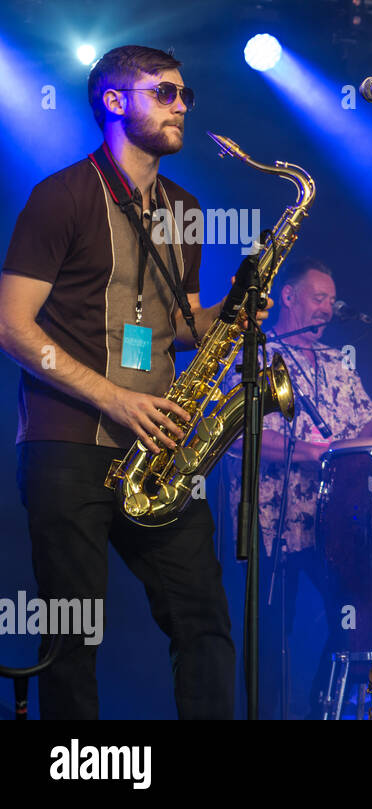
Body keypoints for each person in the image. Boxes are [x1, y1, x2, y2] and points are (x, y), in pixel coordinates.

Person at [0, 45, 247, 718]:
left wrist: (237, 305)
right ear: (115, 102)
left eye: (185, 95)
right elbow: (12, 326)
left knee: (204, 619)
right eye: (165, 92)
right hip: (68, 445)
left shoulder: (185, 206)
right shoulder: (61, 196)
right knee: (73, 637)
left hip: (160, 452)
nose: (181, 106)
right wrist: (114, 397)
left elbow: (181, 324)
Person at [222, 258, 372, 717]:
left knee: (357, 617)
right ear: (289, 296)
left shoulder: (338, 362)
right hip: (272, 525)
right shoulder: (253, 354)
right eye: (318, 298)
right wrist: (317, 453)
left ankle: (325, 708)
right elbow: (235, 436)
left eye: (331, 301)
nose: (326, 309)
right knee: (271, 637)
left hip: (336, 524)